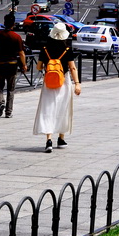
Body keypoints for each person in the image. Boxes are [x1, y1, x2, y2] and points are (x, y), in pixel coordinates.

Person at [33, 21, 81, 152]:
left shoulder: (45, 49)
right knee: (63, 109)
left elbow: (38, 67)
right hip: (64, 82)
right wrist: (77, 84)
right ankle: (61, 138)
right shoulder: (67, 50)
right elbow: (73, 68)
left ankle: (49, 140)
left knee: (48, 109)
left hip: (49, 82)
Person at [0, 16, 27, 118]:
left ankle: (0, 102)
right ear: (13, 24)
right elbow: (21, 53)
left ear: (4, 23)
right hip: (12, 64)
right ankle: (8, 112)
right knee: (10, 90)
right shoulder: (16, 37)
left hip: (0, 63)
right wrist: (24, 65)